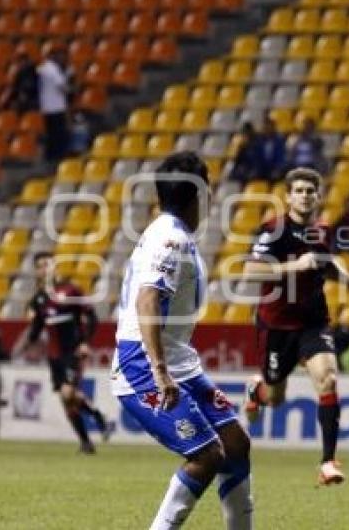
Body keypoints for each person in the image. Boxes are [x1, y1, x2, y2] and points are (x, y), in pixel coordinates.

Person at [112, 151, 253, 529]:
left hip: (179, 362)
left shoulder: (170, 232)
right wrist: (159, 370)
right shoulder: (171, 239)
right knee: (207, 456)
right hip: (142, 362)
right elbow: (147, 299)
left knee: (236, 443)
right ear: (200, 195)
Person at [241, 167, 349, 485]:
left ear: (319, 196)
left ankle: (327, 462)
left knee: (328, 379)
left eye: (311, 191)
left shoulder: (322, 230)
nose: (305, 195)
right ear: (288, 196)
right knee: (276, 398)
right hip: (277, 326)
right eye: (299, 190)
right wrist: (294, 266)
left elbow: (326, 262)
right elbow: (251, 273)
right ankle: (258, 390)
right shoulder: (272, 230)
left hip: (314, 323)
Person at [16, 252, 110, 454]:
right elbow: (37, 326)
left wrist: (85, 342)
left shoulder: (70, 290)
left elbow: (91, 317)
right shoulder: (40, 298)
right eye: (40, 266)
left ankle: (95, 416)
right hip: (54, 356)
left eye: (47, 264)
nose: (44, 269)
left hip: (72, 352)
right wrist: (27, 344)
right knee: (66, 401)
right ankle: (86, 441)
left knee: (68, 393)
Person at [38, 45, 72, 163]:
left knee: (51, 133)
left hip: (46, 106)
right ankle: (58, 157)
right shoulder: (52, 68)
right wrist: (71, 91)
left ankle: (51, 157)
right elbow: (61, 85)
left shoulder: (41, 68)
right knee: (59, 134)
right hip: (56, 107)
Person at [258, 116, 287, 181]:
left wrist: (278, 169)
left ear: (273, 127)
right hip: (263, 169)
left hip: (275, 168)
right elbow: (257, 157)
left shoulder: (279, 140)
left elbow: (281, 157)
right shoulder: (259, 141)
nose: (267, 129)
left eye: (269, 126)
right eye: (265, 127)